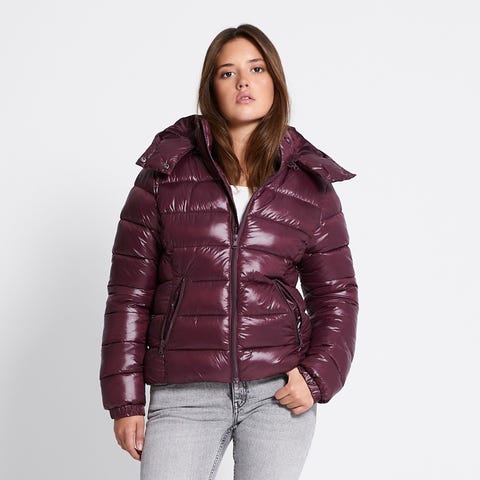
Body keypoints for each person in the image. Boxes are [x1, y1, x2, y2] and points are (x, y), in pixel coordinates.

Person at [99, 24, 359, 480]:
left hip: (277, 393)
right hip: (184, 393)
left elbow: (337, 295)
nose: (243, 82)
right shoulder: (163, 176)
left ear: (274, 82)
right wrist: (126, 401)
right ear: (211, 89)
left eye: (256, 69)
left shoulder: (309, 186)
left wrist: (318, 376)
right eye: (227, 72)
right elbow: (129, 295)